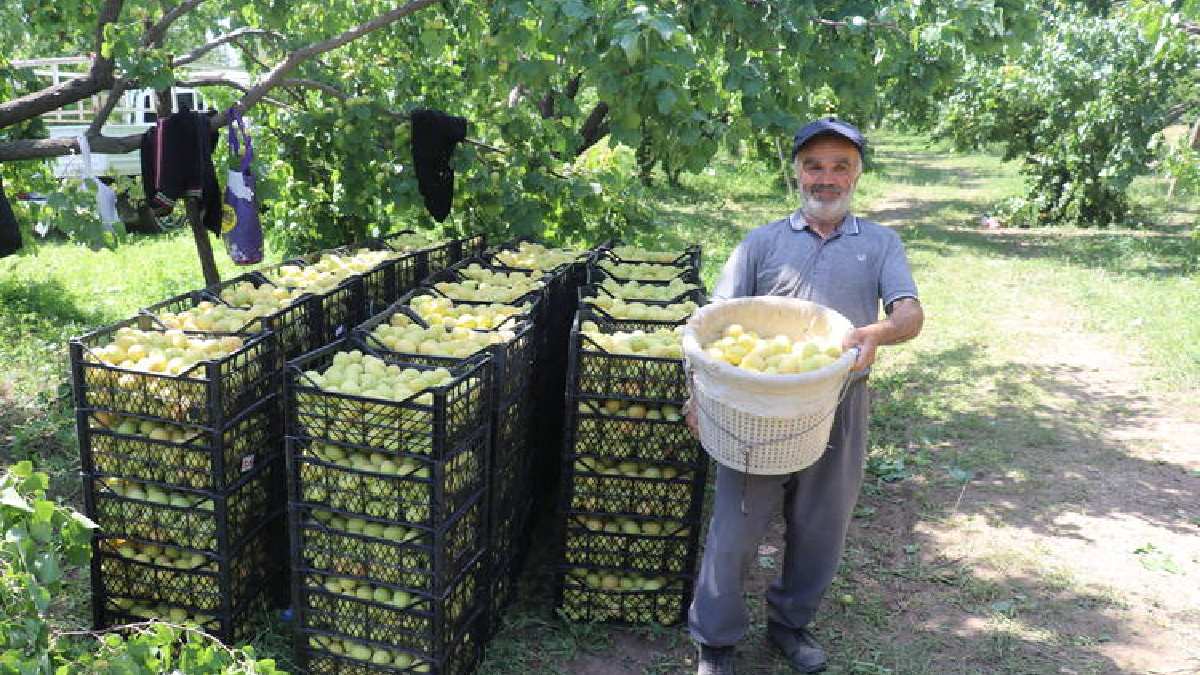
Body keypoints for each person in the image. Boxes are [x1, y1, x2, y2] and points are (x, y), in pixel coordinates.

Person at [687, 118, 924, 675]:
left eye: (841, 166)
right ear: (796, 172)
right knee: (735, 526)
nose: (826, 178)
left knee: (822, 527)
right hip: (755, 409)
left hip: (839, 403)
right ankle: (715, 640)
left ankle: (790, 626)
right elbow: (710, 325)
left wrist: (878, 332)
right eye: (814, 166)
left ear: (857, 175)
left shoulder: (880, 244)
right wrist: (695, 396)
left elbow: (909, 314)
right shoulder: (761, 242)